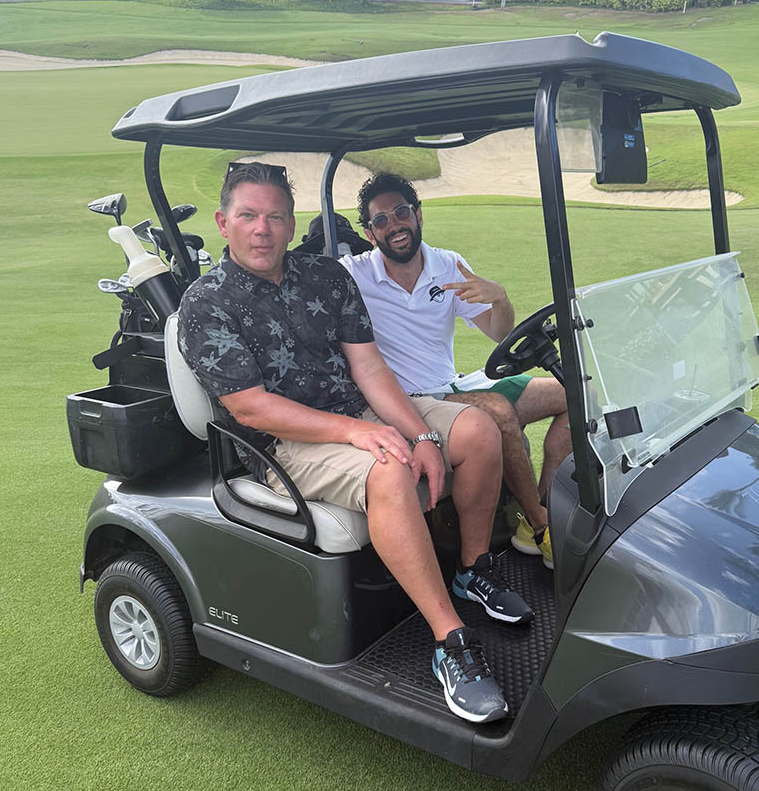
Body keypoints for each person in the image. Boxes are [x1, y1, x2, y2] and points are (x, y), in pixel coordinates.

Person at [177, 161, 534, 726]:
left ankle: (472, 567)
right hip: (281, 444)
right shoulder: (206, 303)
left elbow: (368, 368)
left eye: (274, 216)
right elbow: (250, 406)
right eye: (248, 216)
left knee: (479, 430)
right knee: (389, 470)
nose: (262, 229)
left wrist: (418, 431)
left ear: (292, 224)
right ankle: (451, 642)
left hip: (358, 411)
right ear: (224, 222)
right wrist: (363, 432)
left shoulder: (325, 276)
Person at [341, 173, 572, 571]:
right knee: (497, 410)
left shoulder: (448, 265)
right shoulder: (353, 274)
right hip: (413, 401)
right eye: (381, 220)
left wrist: (499, 298)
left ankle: (544, 501)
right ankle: (540, 528)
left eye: (401, 212)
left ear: (418, 215)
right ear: (369, 232)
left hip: (455, 385)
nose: (393, 225)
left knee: (574, 393)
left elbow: (499, 332)